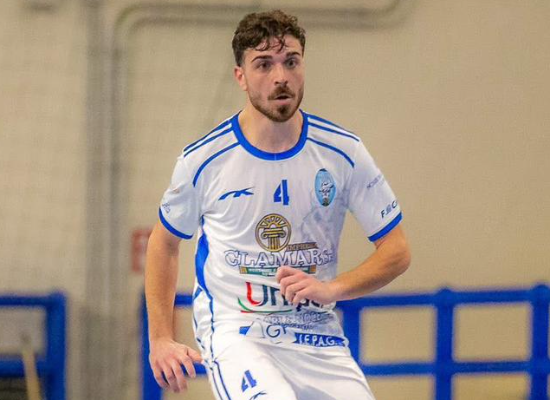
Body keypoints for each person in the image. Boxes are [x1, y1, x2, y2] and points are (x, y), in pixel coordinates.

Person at [145, 9, 411, 400]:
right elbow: (163, 243)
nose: (280, 76)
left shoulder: (343, 153)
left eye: (291, 61)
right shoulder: (203, 161)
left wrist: (332, 289)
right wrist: (161, 339)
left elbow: (397, 250)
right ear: (240, 76)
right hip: (238, 332)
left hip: (317, 334)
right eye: (264, 64)